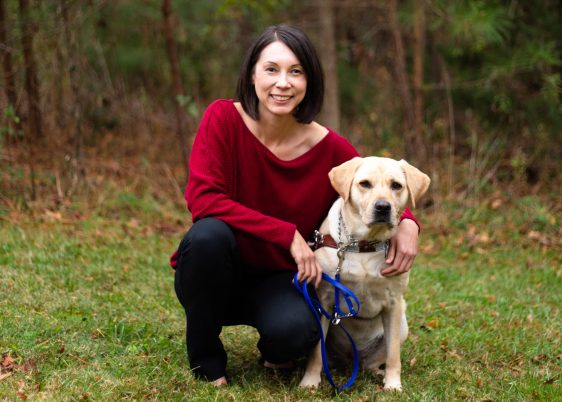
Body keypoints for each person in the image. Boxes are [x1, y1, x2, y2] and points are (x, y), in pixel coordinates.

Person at [171, 24, 421, 387]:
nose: (282, 83)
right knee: (207, 235)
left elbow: (378, 184)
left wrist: (410, 222)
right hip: (215, 274)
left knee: (295, 334)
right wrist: (286, 233)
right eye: (271, 69)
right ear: (252, 74)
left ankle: (277, 349)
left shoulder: (330, 148)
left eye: (296, 71)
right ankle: (207, 361)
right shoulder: (222, 119)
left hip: (283, 280)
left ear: (309, 81)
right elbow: (203, 199)